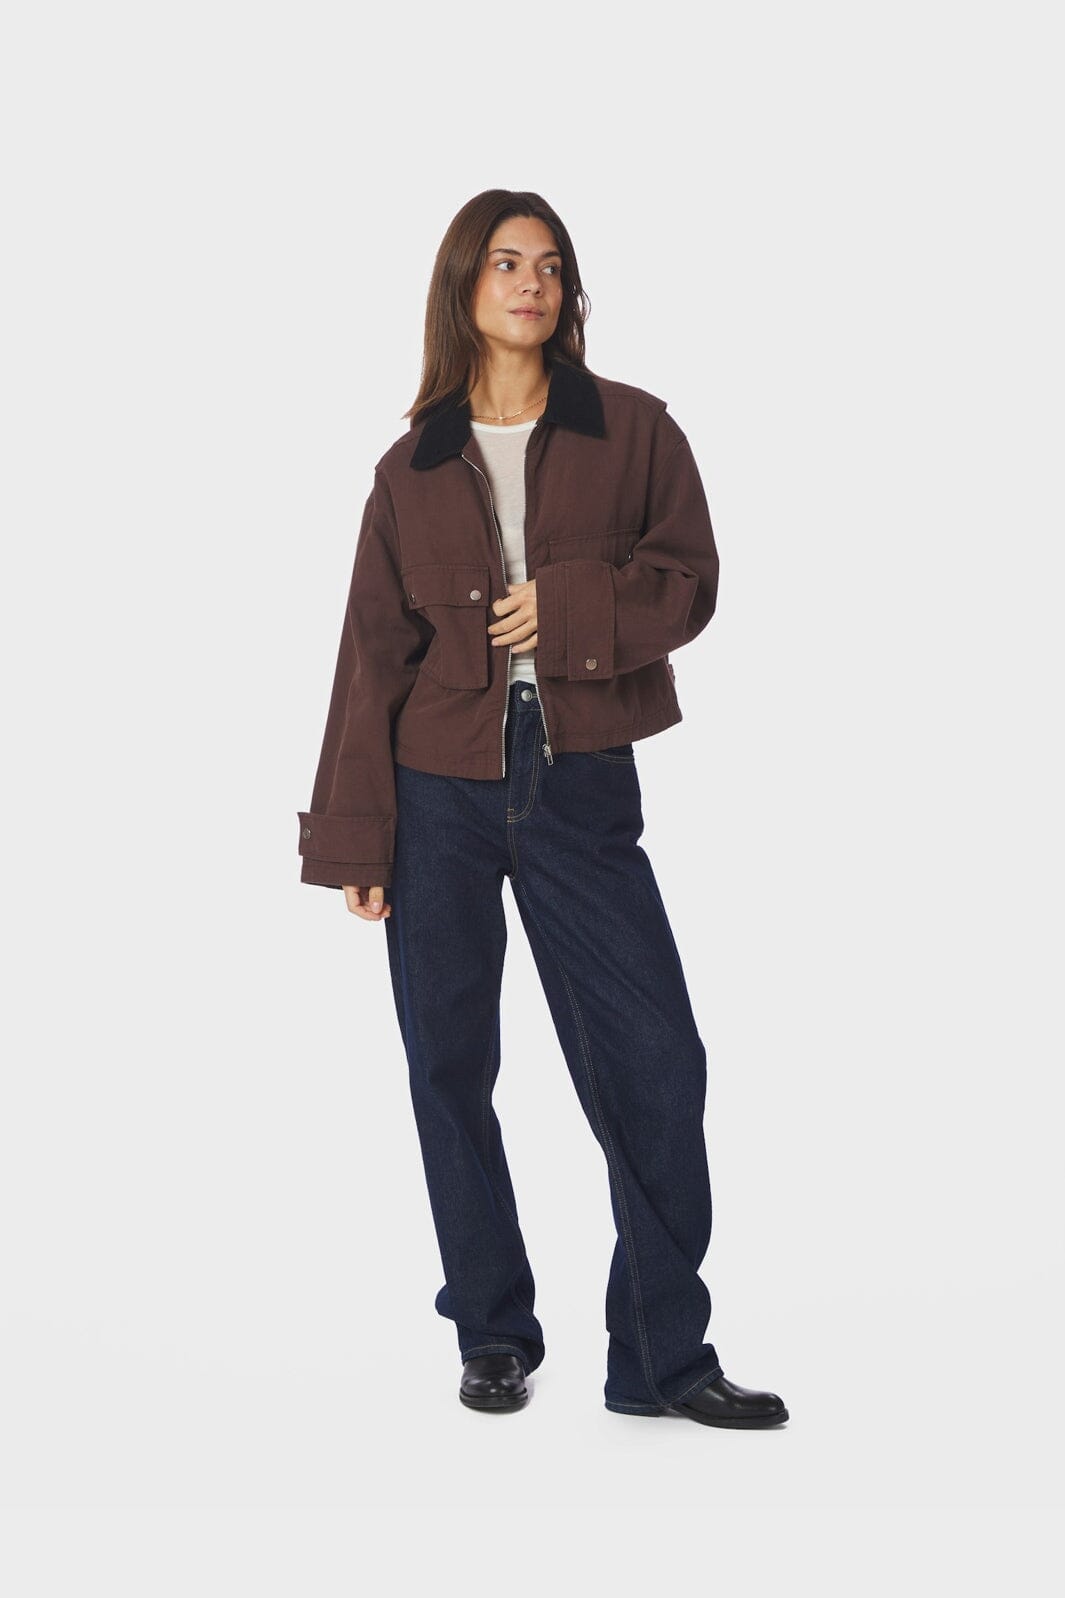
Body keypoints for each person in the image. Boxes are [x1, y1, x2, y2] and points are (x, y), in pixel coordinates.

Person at [296, 189, 788, 1428]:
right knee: (448, 1062)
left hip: (579, 780)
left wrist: (568, 611)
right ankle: (493, 1331)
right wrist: (359, 834)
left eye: (552, 265)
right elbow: (370, 657)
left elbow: (690, 580)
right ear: (464, 286)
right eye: (507, 263)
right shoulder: (409, 467)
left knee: (658, 1062)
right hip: (435, 790)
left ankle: (661, 1356)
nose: (532, 283)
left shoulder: (634, 429)